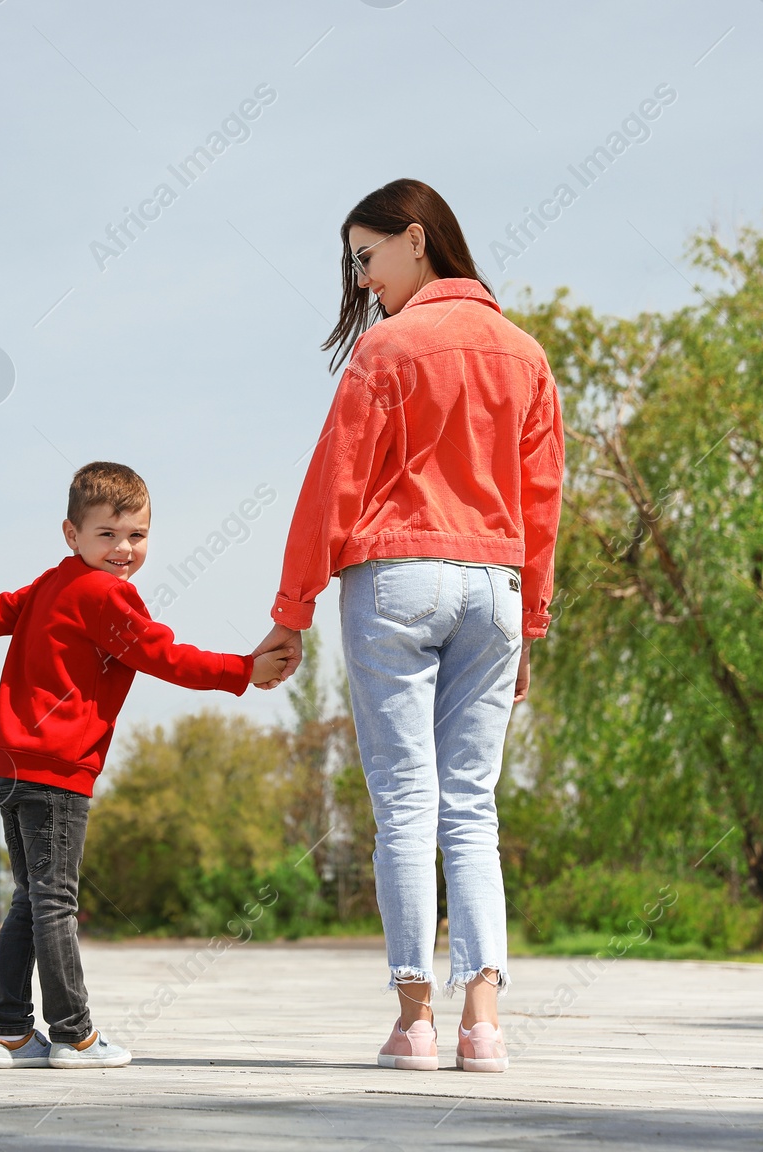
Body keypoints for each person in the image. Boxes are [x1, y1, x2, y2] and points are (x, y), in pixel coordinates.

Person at [252, 179, 564, 1073]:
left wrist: (290, 612)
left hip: (398, 580)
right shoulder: (524, 354)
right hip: (496, 586)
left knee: (404, 807)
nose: (359, 281)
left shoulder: (388, 351)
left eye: (365, 257)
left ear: (416, 241)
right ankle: (486, 1025)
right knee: (474, 808)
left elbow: (333, 484)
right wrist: (530, 626)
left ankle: (415, 1023)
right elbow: (541, 505)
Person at [0, 462, 291, 1069]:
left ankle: (10, 1031)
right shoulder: (105, 595)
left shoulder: (52, 584)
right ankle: (73, 1032)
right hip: (56, 771)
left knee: (29, 899)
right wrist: (242, 671)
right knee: (55, 901)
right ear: (72, 533)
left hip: (11, 767)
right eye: (107, 535)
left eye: (137, 536)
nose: (123, 550)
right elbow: (162, 655)